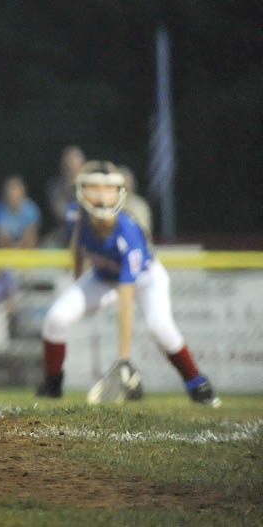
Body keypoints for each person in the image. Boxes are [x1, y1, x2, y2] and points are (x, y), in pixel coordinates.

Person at [36, 161, 219, 405]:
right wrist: (77, 280)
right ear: (81, 190)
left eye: (107, 188)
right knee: (56, 318)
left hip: (146, 279)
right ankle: (52, 385)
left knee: (159, 326)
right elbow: (78, 245)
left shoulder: (128, 232)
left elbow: (125, 300)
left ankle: (198, 384)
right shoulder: (75, 215)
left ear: (120, 192)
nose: (101, 195)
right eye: (94, 187)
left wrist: (123, 358)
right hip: (102, 277)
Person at [41, 145, 85, 247]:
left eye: (76, 166)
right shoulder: (54, 187)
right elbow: (63, 215)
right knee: (47, 248)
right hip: (63, 234)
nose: (73, 169)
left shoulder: (93, 187)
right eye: (69, 165)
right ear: (62, 166)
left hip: (88, 234)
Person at [0, 175, 41, 248]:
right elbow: (1, 237)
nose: (12, 193)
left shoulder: (31, 209)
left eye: (15, 189)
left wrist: (19, 249)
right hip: (6, 251)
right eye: (9, 189)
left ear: (22, 191)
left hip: (27, 250)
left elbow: (31, 236)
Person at [117, 165, 153, 241]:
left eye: (127, 182)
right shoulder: (106, 204)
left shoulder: (139, 205)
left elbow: (144, 232)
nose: (125, 186)